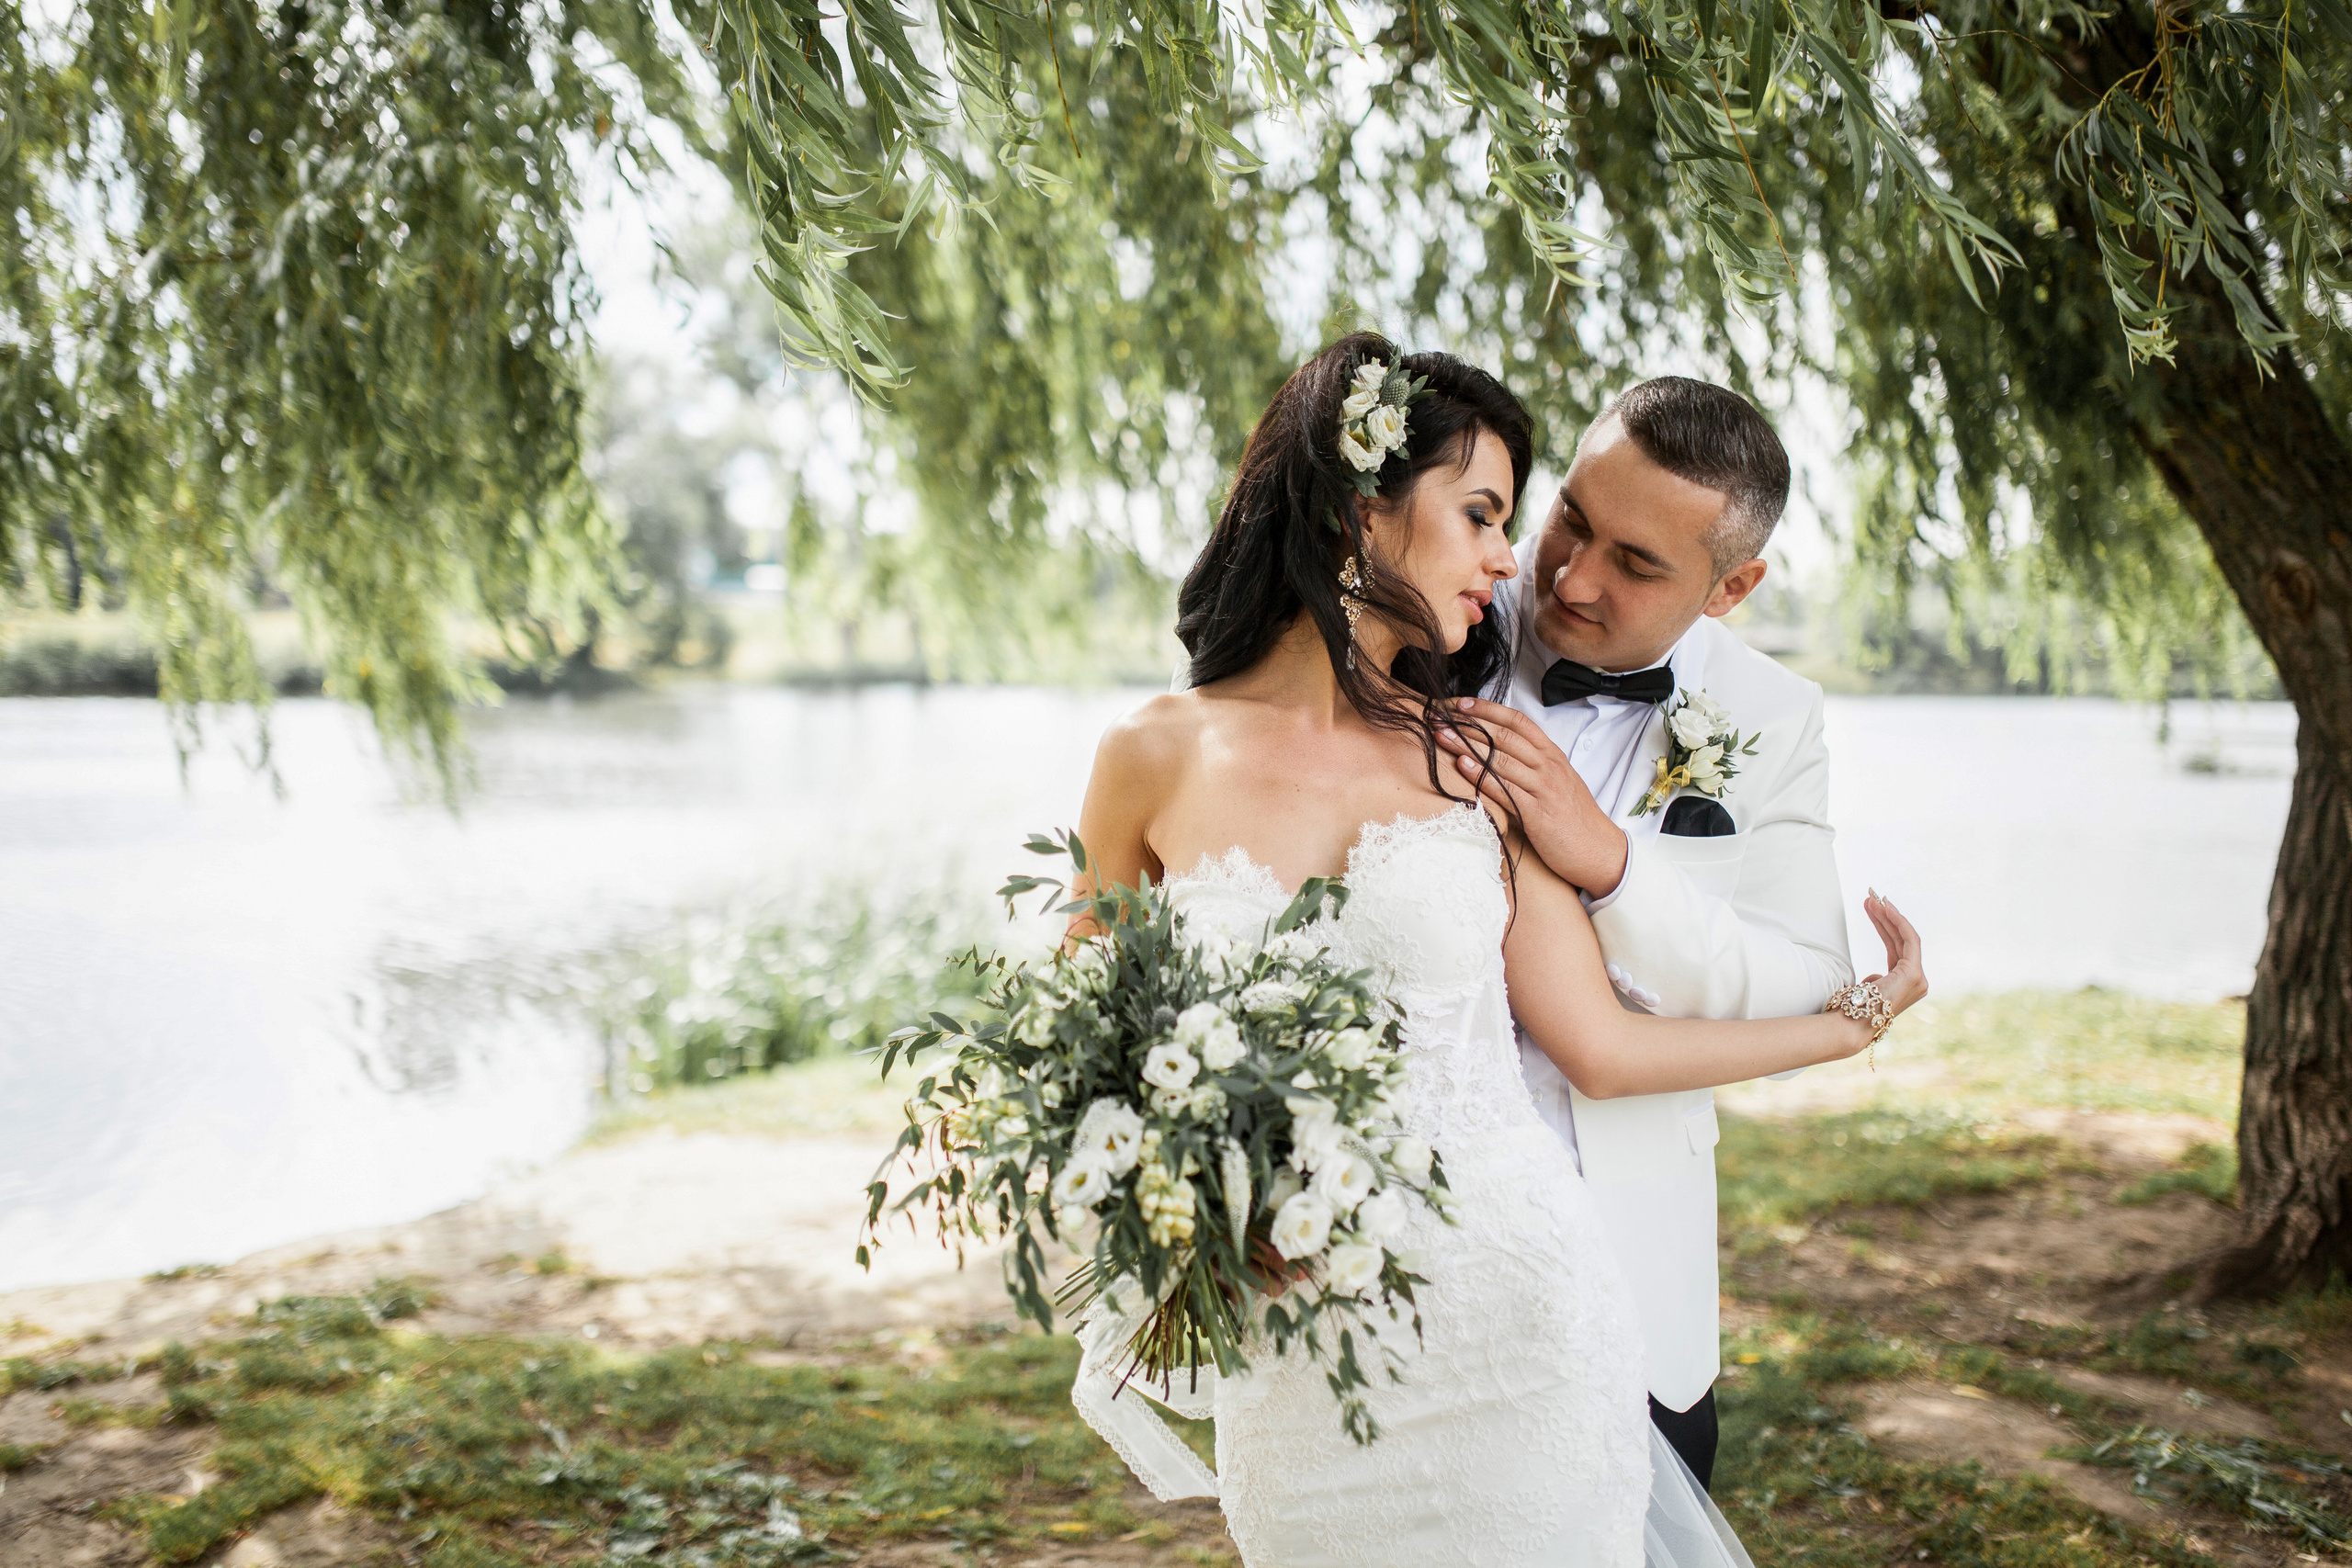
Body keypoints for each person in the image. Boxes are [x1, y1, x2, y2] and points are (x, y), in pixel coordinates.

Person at [1067, 333, 1924, 1568]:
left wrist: (1847, 1010)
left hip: (1529, 1288)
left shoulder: (1497, 757)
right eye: (1530, 517)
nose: (1541, 570)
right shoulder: (1168, 749)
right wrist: (1197, 1199)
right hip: (1307, 1325)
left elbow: (1617, 1040)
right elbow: (1091, 1029)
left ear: (1727, 587)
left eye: (1632, 562)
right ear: (1361, 503)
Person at [1435, 378, 1850, 1490]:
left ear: (1733, 588)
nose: (1568, 577)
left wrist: (1611, 865)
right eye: (1571, 516)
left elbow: (1810, 979)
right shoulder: (1433, 623)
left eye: (1637, 562)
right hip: (1407, 1238)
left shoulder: (1771, 717)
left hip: (1628, 1273)